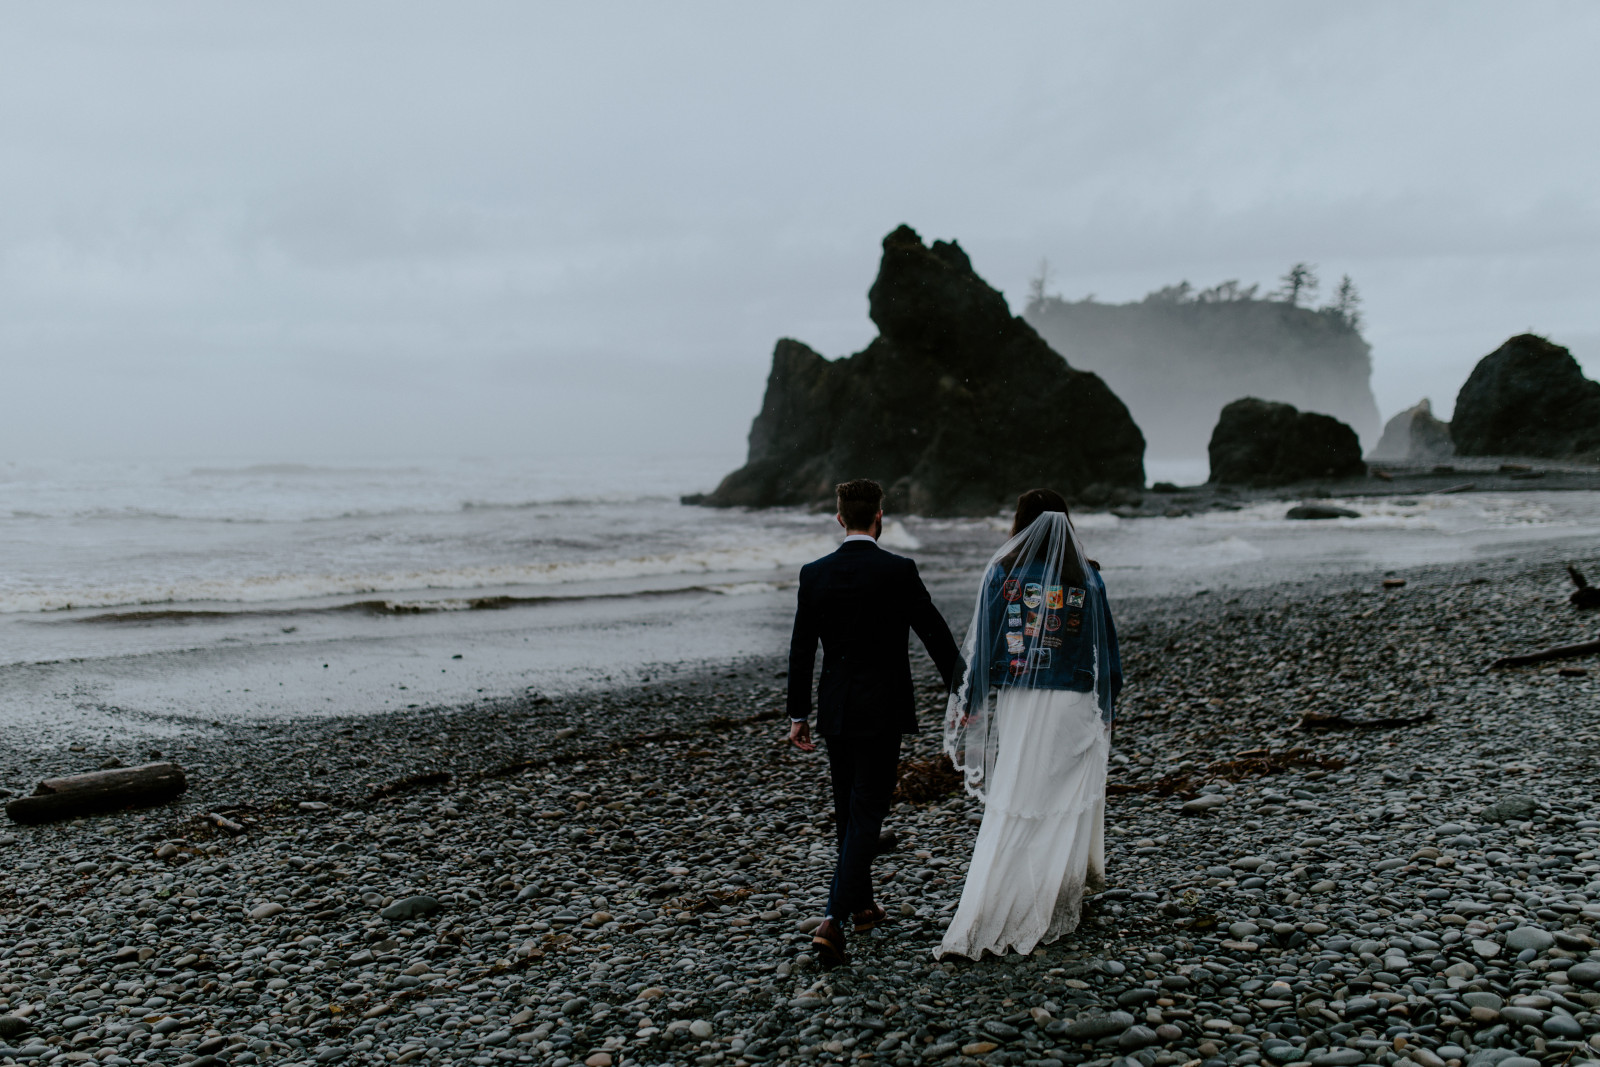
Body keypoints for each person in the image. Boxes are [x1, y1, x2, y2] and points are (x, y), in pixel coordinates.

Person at [936, 488, 1122, 960]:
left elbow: (986, 640)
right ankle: (1059, 889)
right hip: (1075, 699)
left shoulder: (1002, 572)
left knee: (1021, 790)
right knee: (1066, 793)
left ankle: (999, 896)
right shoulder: (1088, 577)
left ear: (1020, 522)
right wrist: (1108, 706)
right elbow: (1108, 653)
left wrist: (973, 700)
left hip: (1021, 696)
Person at [786, 478, 962, 966]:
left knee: (849, 810)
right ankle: (834, 919)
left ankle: (862, 907)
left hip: (836, 708)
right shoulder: (897, 570)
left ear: (840, 519)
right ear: (878, 517)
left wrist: (798, 714)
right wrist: (963, 693)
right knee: (867, 810)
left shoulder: (814, 573)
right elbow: (935, 634)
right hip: (883, 708)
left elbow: (802, 648)